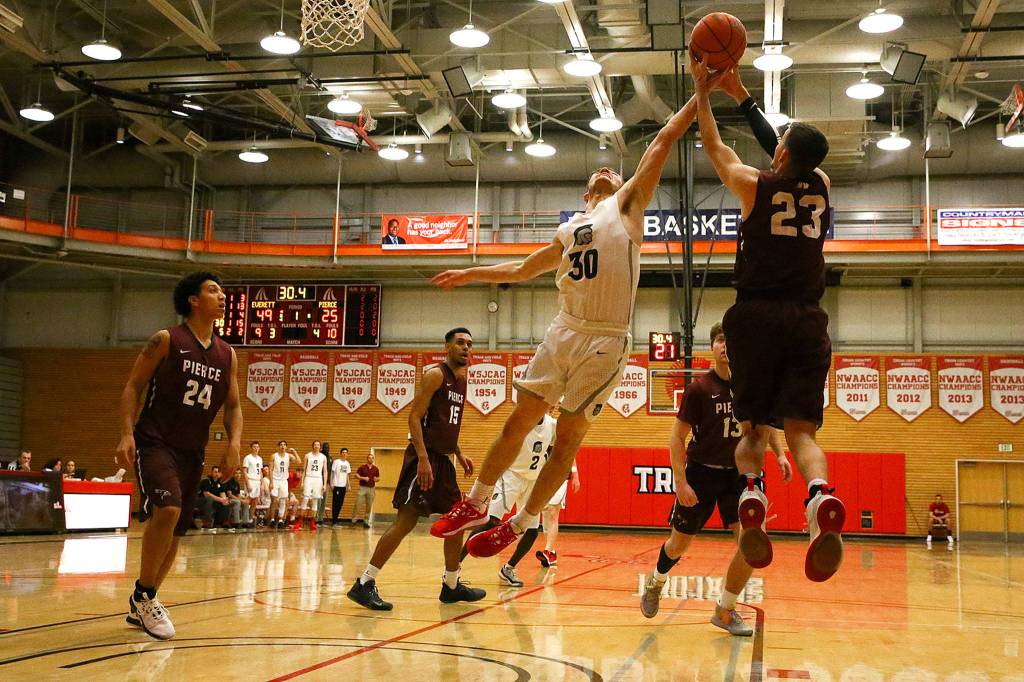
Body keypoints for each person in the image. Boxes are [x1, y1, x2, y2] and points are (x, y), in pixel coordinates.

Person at [429, 85, 721, 556]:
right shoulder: (569, 230)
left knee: (568, 435)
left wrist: (700, 91)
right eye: (600, 173)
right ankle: (478, 502)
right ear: (586, 193)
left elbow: (663, 139)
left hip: (605, 339)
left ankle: (521, 523)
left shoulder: (627, 205)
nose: (608, 170)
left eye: (614, 170)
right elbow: (522, 269)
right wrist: (469, 272)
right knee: (519, 418)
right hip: (564, 328)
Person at [690, 59, 845, 583]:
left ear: (781, 154)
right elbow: (785, 150)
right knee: (801, 432)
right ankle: (820, 498)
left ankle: (752, 491)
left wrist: (705, 92)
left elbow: (716, 148)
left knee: (754, 428)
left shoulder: (752, 184)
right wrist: (746, 98)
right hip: (809, 319)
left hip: (755, 317)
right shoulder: (822, 181)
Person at [639, 322, 791, 636]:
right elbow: (675, 438)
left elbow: (766, 424)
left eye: (731, 339)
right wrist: (680, 482)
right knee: (678, 545)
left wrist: (780, 453)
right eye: (721, 340)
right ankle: (656, 581)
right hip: (702, 472)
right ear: (713, 347)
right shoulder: (699, 389)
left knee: (753, 543)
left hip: (741, 476)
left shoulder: (753, 386)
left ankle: (724, 609)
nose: (726, 345)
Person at [115, 271, 242, 640]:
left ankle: (145, 599)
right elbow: (132, 386)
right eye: (213, 290)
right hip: (155, 441)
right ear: (193, 299)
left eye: (222, 289)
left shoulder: (227, 354)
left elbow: (234, 407)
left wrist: (234, 443)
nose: (222, 295)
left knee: (178, 531)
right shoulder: (167, 339)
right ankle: (143, 598)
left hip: (193, 451)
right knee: (167, 510)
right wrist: (126, 433)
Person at [348, 328, 482, 611]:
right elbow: (414, 418)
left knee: (455, 521)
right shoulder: (435, 375)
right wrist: (422, 458)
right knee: (406, 521)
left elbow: (446, 423)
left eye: (469, 344)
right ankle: (364, 583)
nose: (466, 348)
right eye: (460, 343)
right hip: (424, 458)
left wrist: (458, 452)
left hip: (444, 461)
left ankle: (451, 585)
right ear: (447, 347)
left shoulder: (462, 380)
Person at [462, 406, 558, 587]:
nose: (550, 406)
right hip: (512, 476)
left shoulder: (552, 425)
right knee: (490, 522)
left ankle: (508, 569)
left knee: (531, 531)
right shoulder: (521, 420)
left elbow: (555, 450)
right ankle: (456, 564)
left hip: (532, 482)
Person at [535, 458, 580, 568]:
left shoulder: (561, 440)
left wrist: (575, 474)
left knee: (552, 511)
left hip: (560, 476)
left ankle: (547, 551)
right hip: (543, 477)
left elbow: (571, 453)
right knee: (545, 512)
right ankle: (551, 552)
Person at [295, 440, 327, 531]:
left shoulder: (323, 457)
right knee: (305, 498)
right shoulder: (307, 455)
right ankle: (300, 520)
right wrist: (302, 481)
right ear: (313, 446)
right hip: (309, 478)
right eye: (315, 445)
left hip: (318, 479)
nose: (317, 446)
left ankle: (312, 522)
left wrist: (324, 484)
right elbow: (304, 469)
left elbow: (325, 471)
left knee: (315, 500)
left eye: (318, 445)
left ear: (320, 447)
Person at [269, 441, 300, 529]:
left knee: (283, 500)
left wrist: (294, 452)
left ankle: (281, 520)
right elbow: (270, 470)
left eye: (284, 445)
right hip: (275, 480)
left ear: (286, 447)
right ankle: (272, 519)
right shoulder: (274, 456)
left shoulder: (288, 456)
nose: (282, 446)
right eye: (281, 445)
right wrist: (271, 482)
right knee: (274, 500)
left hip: (283, 481)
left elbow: (299, 462)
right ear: (278, 446)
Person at [351, 452, 380, 528]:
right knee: (357, 504)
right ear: (367, 459)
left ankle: (366, 521)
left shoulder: (376, 468)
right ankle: (353, 520)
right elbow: (356, 475)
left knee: (369, 506)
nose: (371, 459)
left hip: (371, 489)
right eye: (369, 458)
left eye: (372, 458)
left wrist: (376, 479)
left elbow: (378, 478)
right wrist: (363, 478)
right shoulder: (362, 467)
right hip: (362, 488)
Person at [242, 441, 263, 523]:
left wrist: (261, 483)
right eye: (254, 447)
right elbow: (244, 471)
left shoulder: (260, 459)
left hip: (257, 481)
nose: (256, 448)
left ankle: (250, 520)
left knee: (255, 502)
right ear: (251, 448)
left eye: (257, 447)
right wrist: (248, 483)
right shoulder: (248, 458)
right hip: (250, 480)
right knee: (247, 501)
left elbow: (260, 472)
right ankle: (245, 519)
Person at [330, 447, 352, 525]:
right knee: (335, 503)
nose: (344, 453)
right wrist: (331, 483)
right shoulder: (336, 462)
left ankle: (336, 519)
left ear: (347, 454)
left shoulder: (347, 463)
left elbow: (347, 475)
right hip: (336, 485)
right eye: (343, 452)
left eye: (346, 452)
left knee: (340, 503)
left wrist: (348, 485)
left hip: (343, 486)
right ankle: (334, 521)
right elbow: (332, 473)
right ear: (341, 453)